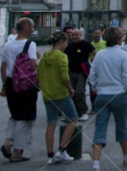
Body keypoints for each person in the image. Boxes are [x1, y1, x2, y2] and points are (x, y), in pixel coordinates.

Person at [89, 26, 127, 168]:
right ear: (118, 39)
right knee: (122, 127)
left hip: (102, 94)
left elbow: (92, 77)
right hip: (119, 94)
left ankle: (96, 164)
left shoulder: (99, 55)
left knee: (100, 128)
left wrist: (97, 89)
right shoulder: (123, 55)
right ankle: (126, 157)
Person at [0, 18, 38, 162]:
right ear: (26, 27)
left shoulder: (8, 45)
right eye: (32, 26)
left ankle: (8, 141)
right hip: (25, 84)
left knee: (15, 114)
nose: (33, 29)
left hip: (10, 82)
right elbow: (33, 65)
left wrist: (4, 85)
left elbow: (3, 67)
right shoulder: (30, 44)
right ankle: (17, 152)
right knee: (26, 117)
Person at [38, 31, 78, 164]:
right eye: (66, 42)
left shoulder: (44, 57)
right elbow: (64, 76)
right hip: (60, 92)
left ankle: (50, 155)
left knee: (51, 122)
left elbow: (39, 74)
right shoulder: (61, 56)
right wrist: (70, 88)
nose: (67, 44)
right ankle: (62, 149)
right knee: (73, 118)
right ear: (61, 42)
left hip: (47, 94)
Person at [65, 29, 95, 121]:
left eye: (76, 35)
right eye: (72, 35)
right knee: (72, 93)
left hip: (82, 72)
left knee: (80, 92)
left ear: (80, 35)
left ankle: (83, 111)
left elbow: (96, 54)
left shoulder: (86, 44)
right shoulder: (69, 46)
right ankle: (75, 112)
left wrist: (93, 66)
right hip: (71, 72)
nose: (74, 36)